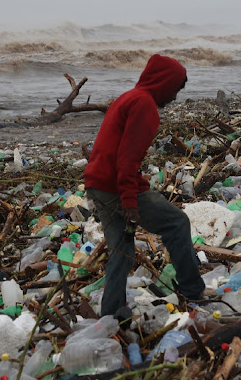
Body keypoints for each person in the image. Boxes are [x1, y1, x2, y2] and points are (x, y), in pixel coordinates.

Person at [84, 54, 205, 318]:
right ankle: (193, 291)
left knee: (121, 249)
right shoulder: (144, 105)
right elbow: (126, 159)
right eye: (175, 90)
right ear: (164, 83)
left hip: (98, 183)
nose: (174, 98)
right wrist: (129, 201)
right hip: (116, 186)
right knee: (177, 223)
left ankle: (112, 313)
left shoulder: (128, 97)